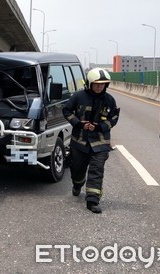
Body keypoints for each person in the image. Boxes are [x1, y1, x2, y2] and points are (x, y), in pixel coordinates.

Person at [63, 68, 120, 213]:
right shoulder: (78, 96)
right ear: (89, 83)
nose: (99, 87)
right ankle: (77, 184)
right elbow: (66, 111)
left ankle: (92, 200)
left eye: (103, 84)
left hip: (100, 143)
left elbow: (113, 118)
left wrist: (100, 126)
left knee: (97, 169)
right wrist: (78, 123)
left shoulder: (109, 100)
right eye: (96, 84)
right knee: (77, 169)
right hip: (80, 142)